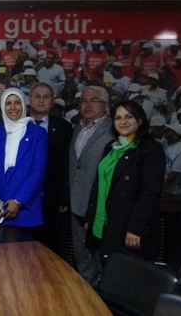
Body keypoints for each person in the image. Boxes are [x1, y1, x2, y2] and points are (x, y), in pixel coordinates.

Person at [85, 100, 165, 270]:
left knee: (124, 278)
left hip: (129, 228)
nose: (123, 122)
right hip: (105, 224)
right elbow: (99, 183)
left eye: (129, 117)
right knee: (106, 272)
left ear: (140, 120)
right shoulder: (111, 147)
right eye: (118, 118)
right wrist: (91, 218)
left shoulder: (150, 149)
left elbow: (150, 192)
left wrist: (135, 228)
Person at [0, 88, 47, 234]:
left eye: (17, 102)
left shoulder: (37, 133)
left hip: (25, 209)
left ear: (24, 105)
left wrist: (18, 201)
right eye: (8, 103)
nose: (13, 107)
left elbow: (37, 172)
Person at [67, 86, 115, 283]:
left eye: (94, 100)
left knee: (100, 254)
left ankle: (104, 293)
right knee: (82, 252)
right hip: (76, 201)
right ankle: (88, 290)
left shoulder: (113, 130)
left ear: (106, 105)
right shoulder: (77, 128)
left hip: (100, 204)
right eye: (84, 100)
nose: (87, 104)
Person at [28, 82, 73, 255]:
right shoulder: (17, 124)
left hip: (51, 197)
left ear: (52, 101)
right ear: (29, 99)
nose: (41, 100)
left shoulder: (64, 128)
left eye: (46, 97)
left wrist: (64, 197)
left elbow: (66, 164)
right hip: (21, 197)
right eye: (37, 96)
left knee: (49, 247)